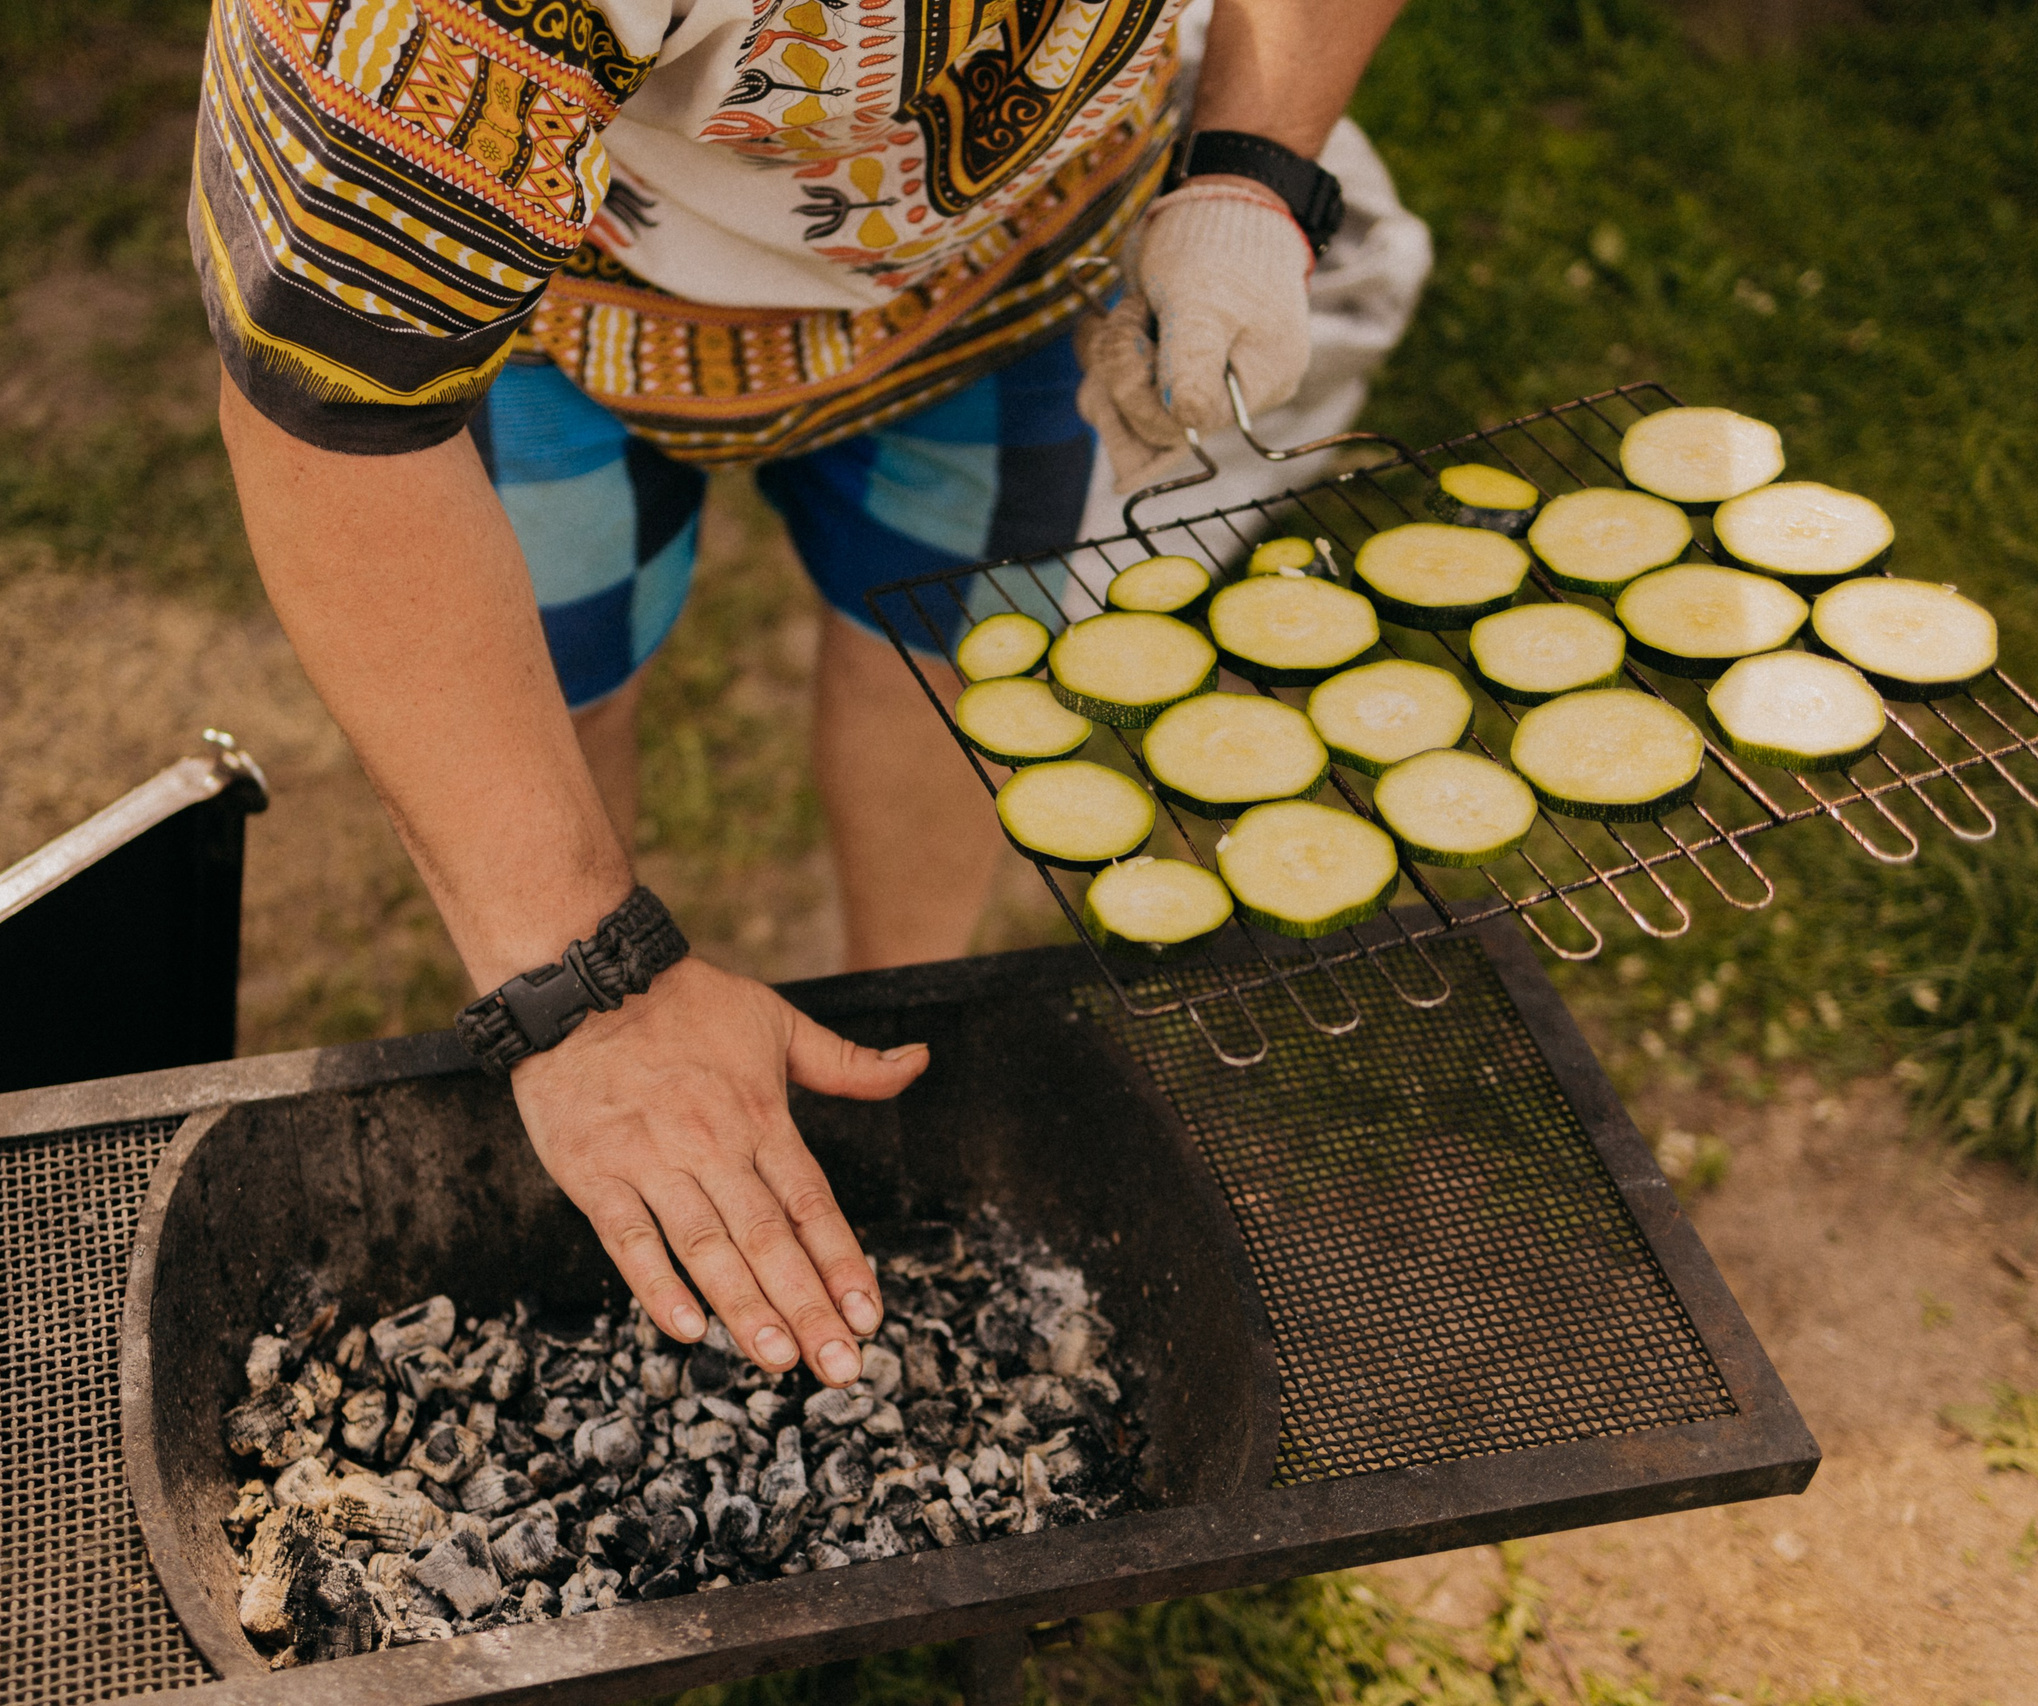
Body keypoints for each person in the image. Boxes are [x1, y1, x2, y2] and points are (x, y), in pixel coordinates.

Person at [196, 0, 1410, 1389]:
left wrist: (1254, 170)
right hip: (560, 299)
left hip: (1011, 262)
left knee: (958, 668)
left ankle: (901, 1067)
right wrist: (581, 985)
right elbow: (332, 390)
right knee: (551, 706)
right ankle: (634, 1114)